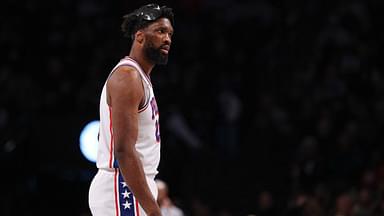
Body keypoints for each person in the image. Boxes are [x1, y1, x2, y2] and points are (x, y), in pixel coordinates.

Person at [88, 3, 174, 216]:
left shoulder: (139, 77)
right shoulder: (128, 76)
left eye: (170, 33)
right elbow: (124, 151)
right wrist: (154, 211)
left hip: (130, 184)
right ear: (140, 36)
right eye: (160, 31)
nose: (167, 39)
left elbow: (107, 134)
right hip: (122, 187)